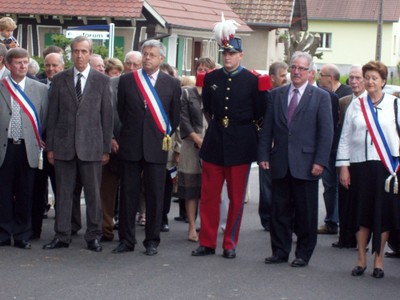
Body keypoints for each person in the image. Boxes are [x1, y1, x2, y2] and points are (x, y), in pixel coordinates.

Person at [191, 18, 266, 259]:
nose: (227, 57)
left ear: (241, 55)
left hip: (241, 143)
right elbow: (209, 109)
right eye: (225, 53)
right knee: (209, 196)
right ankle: (208, 242)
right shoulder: (211, 78)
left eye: (232, 53)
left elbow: (260, 113)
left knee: (235, 198)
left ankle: (230, 243)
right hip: (215, 141)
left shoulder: (254, 81)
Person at [259, 51, 333, 267]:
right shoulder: (277, 95)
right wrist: (263, 154)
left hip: (308, 164)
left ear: (311, 72)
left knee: (306, 213)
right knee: (279, 211)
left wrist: (320, 161)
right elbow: (267, 129)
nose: (297, 72)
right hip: (280, 162)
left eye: (302, 68)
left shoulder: (321, 97)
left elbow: (326, 133)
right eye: (294, 67)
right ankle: (280, 251)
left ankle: (303, 253)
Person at [43, 36, 113, 252]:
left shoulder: (102, 81)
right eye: (75, 51)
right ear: (70, 54)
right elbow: (52, 117)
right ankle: (62, 235)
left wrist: (105, 148)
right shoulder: (60, 79)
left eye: (84, 51)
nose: (80, 55)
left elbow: (107, 117)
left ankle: (93, 236)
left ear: (90, 53)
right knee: (63, 194)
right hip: (63, 147)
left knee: (93, 194)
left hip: (92, 147)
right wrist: (51, 147)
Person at [114, 39, 181, 256]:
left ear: (162, 58)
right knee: (128, 194)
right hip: (131, 144)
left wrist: (161, 135)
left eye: (153, 54)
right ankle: (126, 239)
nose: (148, 57)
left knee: (154, 195)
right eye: (145, 54)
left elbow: (175, 116)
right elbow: (122, 111)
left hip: (156, 146)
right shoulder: (126, 80)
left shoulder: (171, 84)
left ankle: (152, 240)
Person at [336, 61, 400, 279]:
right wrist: (343, 167)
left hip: (385, 168)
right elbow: (344, 137)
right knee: (361, 213)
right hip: (359, 165)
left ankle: (378, 260)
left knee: (381, 214)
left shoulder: (394, 104)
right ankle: (361, 258)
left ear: (383, 81)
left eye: (375, 78)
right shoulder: (356, 104)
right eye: (368, 77)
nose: (370, 81)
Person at [0, 47, 48, 249]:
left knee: (25, 193)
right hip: (5, 147)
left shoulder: (41, 89)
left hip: (28, 147)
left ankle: (22, 234)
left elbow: (44, 118)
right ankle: (3, 233)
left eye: (25, 62)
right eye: (18, 62)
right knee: (3, 193)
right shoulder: (1, 86)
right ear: (8, 65)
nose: (22, 66)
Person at [178, 57, 216, 242]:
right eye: (199, 68)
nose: (202, 71)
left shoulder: (216, 92)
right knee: (191, 188)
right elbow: (183, 118)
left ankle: (208, 225)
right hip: (190, 144)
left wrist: (208, 141)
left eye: (206, 69)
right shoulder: (187, 93)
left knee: (209, 189)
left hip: (212, 145)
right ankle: (192, 226)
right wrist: (196, 138)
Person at [331, 65, 367, 249]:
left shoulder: (371, 102)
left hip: (364, 158)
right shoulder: (344, 101)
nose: (353, 81)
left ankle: (361, 238)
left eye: (358, 78)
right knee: (344, 197)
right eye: (351, 78)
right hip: (345, 156)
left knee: (361, 199)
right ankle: (345, 237)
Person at [31, 52, 65, 239]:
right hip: (39, 145)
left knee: (61, 190)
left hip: (60, 147)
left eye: (55, 65)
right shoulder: (37, 86)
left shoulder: (68, 85)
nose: (51, 69)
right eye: (47, 65)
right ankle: (34, 229)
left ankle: (62, 230)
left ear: (62, 66)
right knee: (37, 189)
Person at [258, 61, 288, 231]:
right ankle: (268, 219)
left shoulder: (287, 94)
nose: (286, 79)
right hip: (267, 146)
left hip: (282, 148)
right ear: (272, 78)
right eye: (282, 76)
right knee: (267, 186)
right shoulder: (264, 95)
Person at [314, 63, 342, 235]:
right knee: (329, 187)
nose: (319, 77)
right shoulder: (321, 93)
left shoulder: (343, 95)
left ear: (330, 77)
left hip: (339, 150)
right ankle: (331, 220)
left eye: (321, 74)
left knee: (338, 187)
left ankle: (335, 220)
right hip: (327, 150)